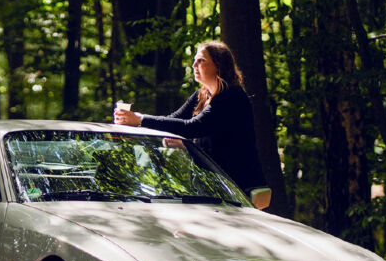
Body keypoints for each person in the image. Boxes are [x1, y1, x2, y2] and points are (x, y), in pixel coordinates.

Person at [113, 40, 270, 206]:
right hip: (213, 183)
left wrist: (141, 119)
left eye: (201, 61)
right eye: (195, 60)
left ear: (219, 66)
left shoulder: (231, 96)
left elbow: (193, 127)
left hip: (237, 186)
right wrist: (137, 127)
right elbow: (175, 119)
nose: (194, 65)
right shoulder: (202, 94)